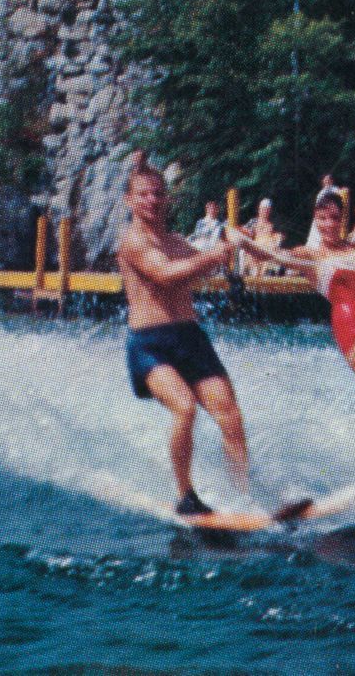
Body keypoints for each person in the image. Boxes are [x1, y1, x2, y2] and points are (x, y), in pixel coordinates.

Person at [234, 188, 355, 450]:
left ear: (342, 220)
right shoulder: (310, 256)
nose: (329, 224)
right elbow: (271, 255)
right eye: (323, 218)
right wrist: (241, 241)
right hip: (353, 326)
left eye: (335, 218)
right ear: (316, 220)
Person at [117, 159, 251, 517]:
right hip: (150, 345)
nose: (152, 200)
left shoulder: (176, 241)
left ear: (167, 199)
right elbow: (165, 275)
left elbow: (209, 263)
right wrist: (212, 256)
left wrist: (235, 244)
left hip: (189, 338)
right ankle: (185, 495)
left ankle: (243, 495)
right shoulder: (132, 242)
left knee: (230, 416)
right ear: (129, 201)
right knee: (185, 407)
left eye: (158, 193)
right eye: (143, 195)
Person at [306, 174, 342, 247]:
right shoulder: (321, 193)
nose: (327, 181)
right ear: (323, 182)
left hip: (333, 214)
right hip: (322, 215)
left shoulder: (337, 190)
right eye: (325, 180)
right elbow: (317, 207)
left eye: (328, 180)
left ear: (331, 181)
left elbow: (340, 203)